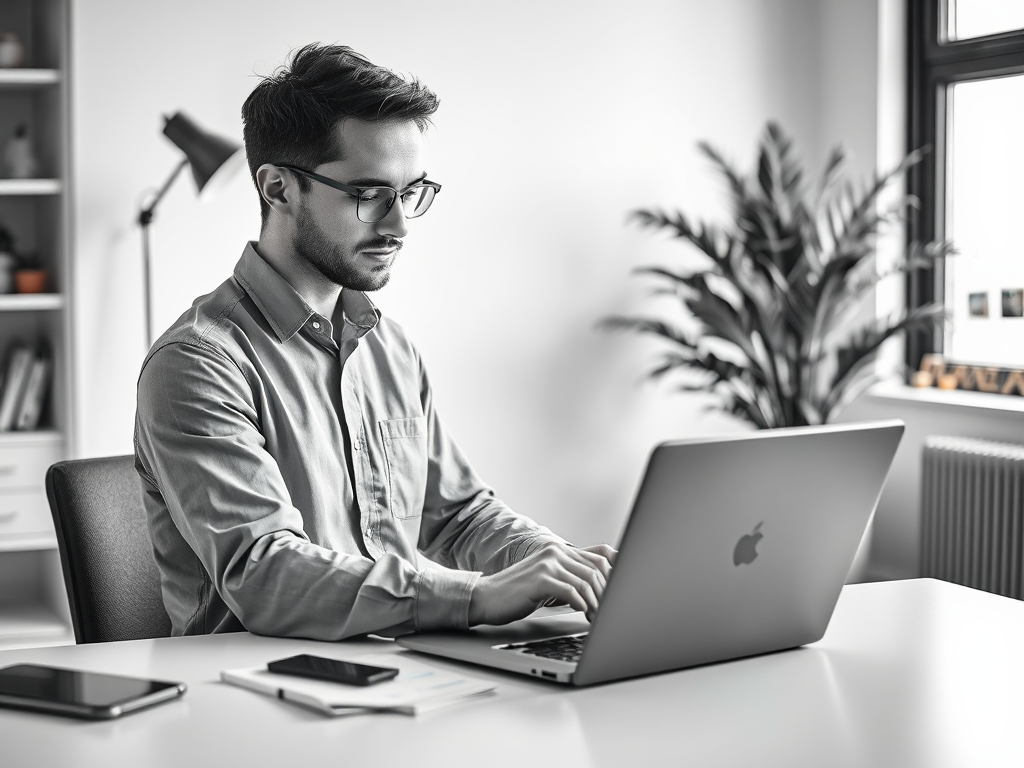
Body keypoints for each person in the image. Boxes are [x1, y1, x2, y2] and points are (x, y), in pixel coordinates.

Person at [134, 43, 616, 641]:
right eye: (368, 195)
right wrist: (477, 597)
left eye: (411, 192)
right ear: (279, 189)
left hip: (402, 671)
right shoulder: (197, 363)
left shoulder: (389, 347)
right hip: (256, 693)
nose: (399, 225)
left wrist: (565, 565)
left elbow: (459, 516)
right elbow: (264, 570)